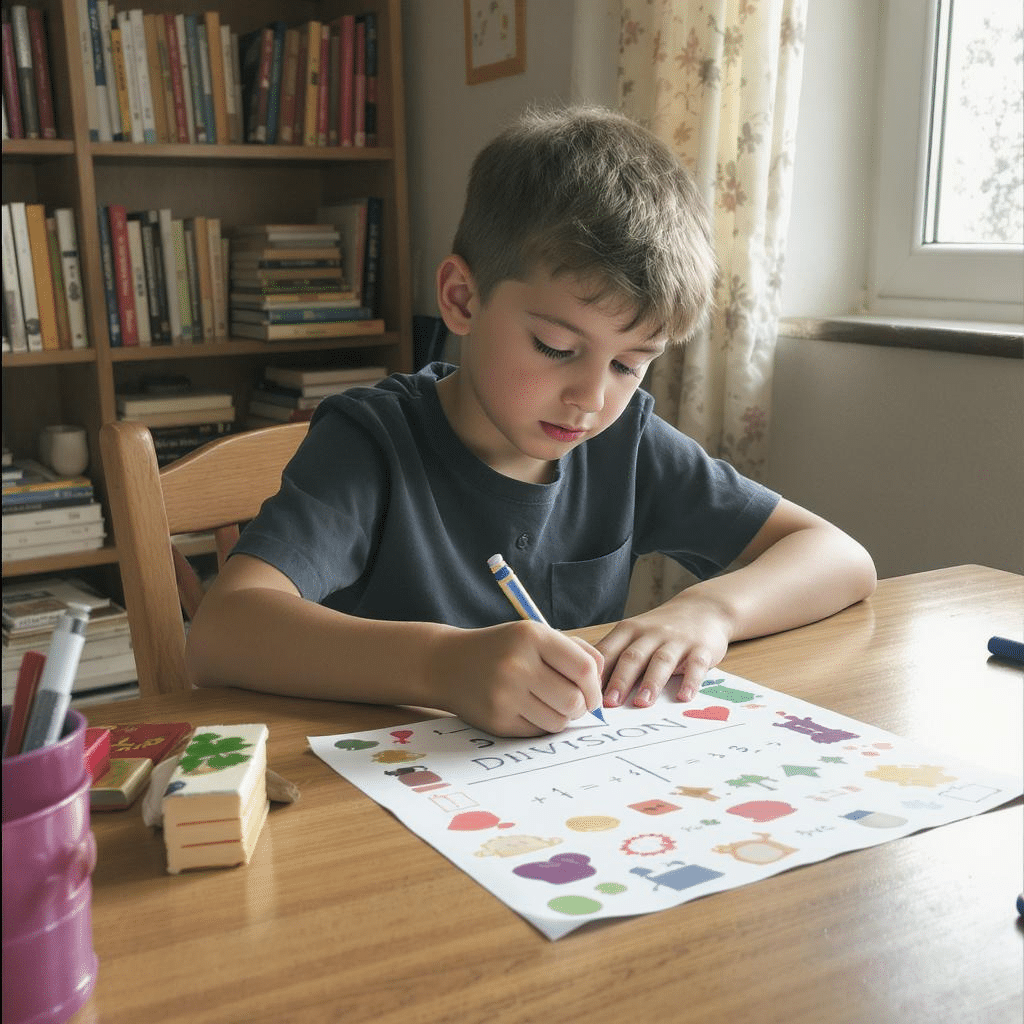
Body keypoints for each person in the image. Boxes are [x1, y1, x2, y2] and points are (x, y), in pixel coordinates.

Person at [186, 105, 876, 737]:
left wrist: (709, 611)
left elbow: (839, 558)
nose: (591, 398)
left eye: (629, 363)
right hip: (382, 802)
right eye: (556, 348)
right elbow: (223, 632)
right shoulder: (372, 443)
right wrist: (439, 666)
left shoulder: (626, 444)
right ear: (462, 298)